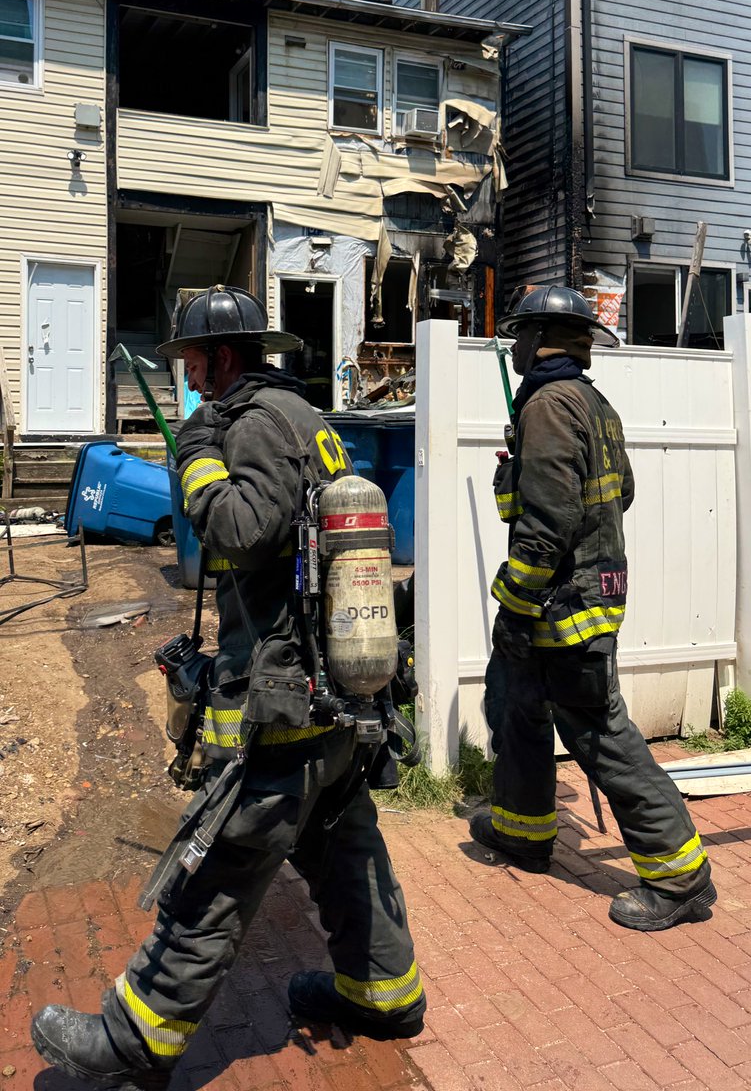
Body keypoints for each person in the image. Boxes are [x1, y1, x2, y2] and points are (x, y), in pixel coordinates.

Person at [32, 286, 425, 1090]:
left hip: (286, 695)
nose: (189, 380)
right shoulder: (307, 420)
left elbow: (243, 532)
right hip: (337, 694)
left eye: (193, 364)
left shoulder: (249, 427)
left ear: (221, 359)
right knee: (342, 849)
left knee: (217, 866)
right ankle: (385, 994)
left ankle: (133, 1039)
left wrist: (194, 456)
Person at [470, 286, 717, 932]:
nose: (514, 344)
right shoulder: (589, 402)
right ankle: (521, 830)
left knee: (598, 735)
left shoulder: (548, 405)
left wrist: (515, 604)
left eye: (521, 332)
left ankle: (678, 877)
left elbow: (549, 524)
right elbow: (618, 494)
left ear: (543, 339)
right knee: (517, 707)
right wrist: (515, 480)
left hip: (560, 603)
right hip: (585, 589)